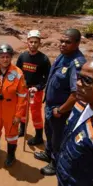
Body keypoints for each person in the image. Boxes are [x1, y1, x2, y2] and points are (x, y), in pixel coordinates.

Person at [34, 28, 87, 176]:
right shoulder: (63, 56)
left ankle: (56, 164)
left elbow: (76, 93)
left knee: (58, 139)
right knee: (49, 133)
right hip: (51, 106)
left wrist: (61, 110)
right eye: (61, 41)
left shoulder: (77, 63)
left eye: (67, 42)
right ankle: (48, 153)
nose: (63, 44)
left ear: (77, 43)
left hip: (61, 110)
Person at [0, 44, 28, 167]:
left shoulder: (18, 73)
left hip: (11, 110)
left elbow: (22, 97)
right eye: (2, 57)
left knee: (12, 134)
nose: (5, 59)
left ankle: (11, 155)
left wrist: (18, 115)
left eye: (7, 56)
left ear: (11, 57)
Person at [16, 30, 51, 145]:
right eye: (31, 42)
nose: (33, 44)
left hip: (35, 91)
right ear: (27, 42)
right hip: (23, 89)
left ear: (39, 43)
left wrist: (38, 87)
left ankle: (39, 136)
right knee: (21, 110)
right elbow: (17, 72)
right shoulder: (22, 57)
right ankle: (22, 130)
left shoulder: (44, 59)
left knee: (35, 113)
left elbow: (47, 77)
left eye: (36, 42)